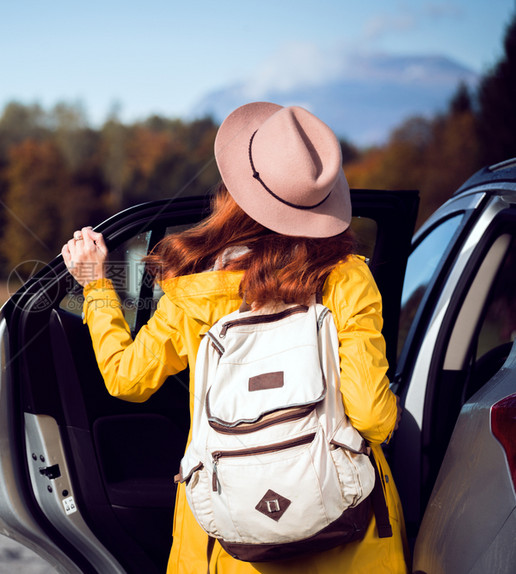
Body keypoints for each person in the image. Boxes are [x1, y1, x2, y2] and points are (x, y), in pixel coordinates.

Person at [61, 102, 408, 573]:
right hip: (346, 539)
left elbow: (127, 378)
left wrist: (97, 287)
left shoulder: (193, 292)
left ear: (235, 194)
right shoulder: (347, 279)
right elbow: (370, 414)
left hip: (226, 543)